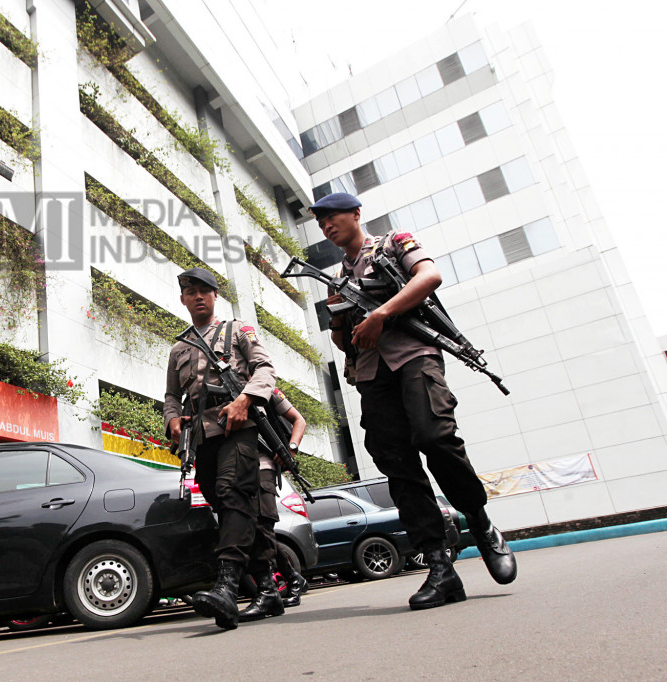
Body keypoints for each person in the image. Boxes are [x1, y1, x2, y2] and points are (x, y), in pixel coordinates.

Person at [310, 192, 516, 610]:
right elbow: (341, 340)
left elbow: (428, 277)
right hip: (371, 372)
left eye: (333, 217)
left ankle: (478, 519)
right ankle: (440, 565)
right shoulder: (337, 277)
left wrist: (381, 314)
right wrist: (338, 316)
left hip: (414, 356)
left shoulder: (392, 243)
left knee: (436, 436)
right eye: (321, 222)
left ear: (355, 214)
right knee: (396, 464)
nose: (327, 225)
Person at [164, 267, 277, 630]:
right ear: (183, 299)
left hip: (238, 427)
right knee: (231, 507)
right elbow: (171, 395)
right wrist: (171, 419)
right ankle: (268, 590)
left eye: (204, 291)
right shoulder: (179, 347)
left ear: (215, 296)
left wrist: (246, 400)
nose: (198, 296)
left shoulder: (238, 330)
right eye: (190, 291)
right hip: (201, 438)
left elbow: (265, 370)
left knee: (232, 494)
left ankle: (227, 586)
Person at [238, 388, 309, 622]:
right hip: (238, 469)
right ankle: (293, 578)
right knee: (253, 530)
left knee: (262, 526)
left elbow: (299, 420)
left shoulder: (267, 390)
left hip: (263, 466)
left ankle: (271, 588)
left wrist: (291, 447)